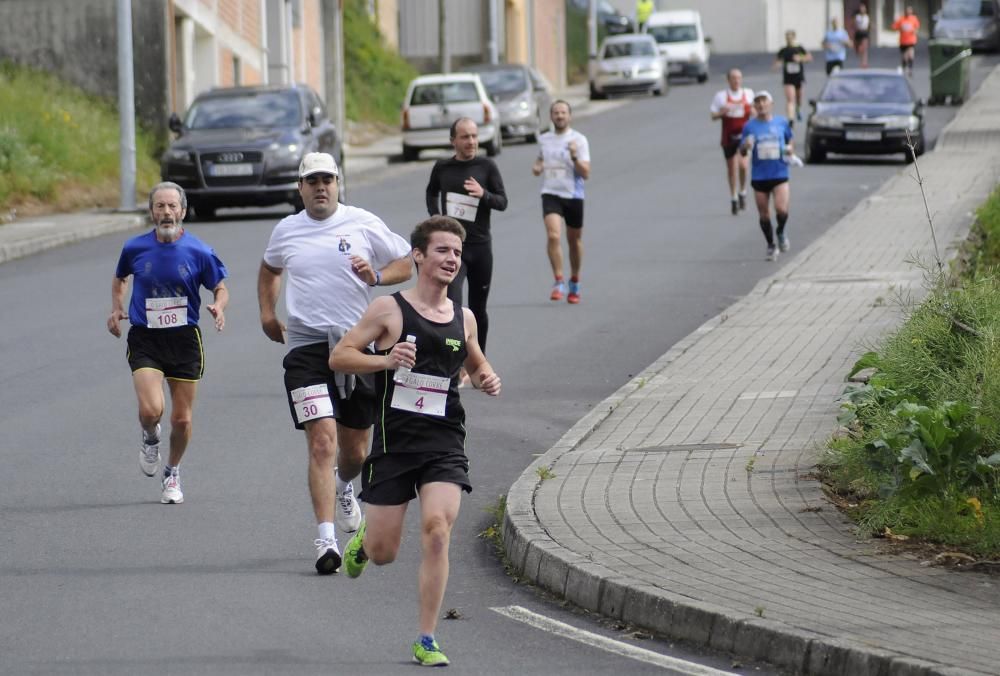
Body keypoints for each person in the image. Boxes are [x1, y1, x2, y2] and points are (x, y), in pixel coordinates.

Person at [330, 215, 501, 667]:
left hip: (444, 441)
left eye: (457, 253)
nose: (452, 259)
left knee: (438, 532)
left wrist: (485, 376)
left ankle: (426, 637)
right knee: (385, 554)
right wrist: (385, 360)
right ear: (419, 256)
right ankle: (366, 542)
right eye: (443, 250)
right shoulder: (389, 310)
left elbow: (474, 360)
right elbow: (340, 355)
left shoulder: (462, 318)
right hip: (394, 442)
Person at [257, 152, 413, 575]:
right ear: (301, 188)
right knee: (322, 441)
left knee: (355, 452)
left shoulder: (361, 222)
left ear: (338, 183)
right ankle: (325, 540)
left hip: (356, 348)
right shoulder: (287, 230)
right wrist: (268, 313)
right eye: (312, 181)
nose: (321, 187)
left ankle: (345, 486)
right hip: (307, 349)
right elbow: (270, 268)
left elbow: (407, 261)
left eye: (327, 179)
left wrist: (376, 277)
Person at [107, 182, 228, 505]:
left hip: (184, 339)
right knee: (151, 410)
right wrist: (118, 307)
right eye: (159, 206)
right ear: (151, 211)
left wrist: (219, 306)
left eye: (172, 206)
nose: (166, 212)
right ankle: (150, 437)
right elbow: (120, 278)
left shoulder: (199, 251)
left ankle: (172, 471)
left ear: (183, 211)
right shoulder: (135, 247)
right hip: (146, 337)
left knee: (182, 419)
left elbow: (220, 286)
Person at [425, 117, 507, 386]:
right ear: (453, 141)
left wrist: (483, 193)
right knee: (456, 306)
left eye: (474, 136)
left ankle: (478, 363)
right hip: (454, 251)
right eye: (465, 137)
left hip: (481, 247)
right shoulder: (443, 167)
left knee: (479, 309)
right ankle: (458, 364)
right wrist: (437, 219)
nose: (471, 141)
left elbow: (502, 201)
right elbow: (431, 192)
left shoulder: (486, 166)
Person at [531, 100, 591, 304]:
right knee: (554, 235)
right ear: (551, 116)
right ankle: (558, 281)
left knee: (574, 241)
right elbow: (540, 159)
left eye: (563, 112)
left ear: (570, 116)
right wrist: (538, 166)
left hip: (573, 195)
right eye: (556, 112)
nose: (560, 116)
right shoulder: (544, 139)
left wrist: (574, 156)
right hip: (551, 193)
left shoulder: (579, 140)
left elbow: (586, 173)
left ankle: (574, 280)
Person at [740, 91, 795, 262]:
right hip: (760, 175)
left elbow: (790, 140)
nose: (761, 105)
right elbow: (742, 150)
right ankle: (771, 245)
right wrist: (746, 146)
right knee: (764, 215)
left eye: (764, 102)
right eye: (758, 102)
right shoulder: (749, 126)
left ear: (771, 104)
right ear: (754, 107)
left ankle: (780, 231)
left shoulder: (781, 122)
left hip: (779, 172)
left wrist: (790, 149)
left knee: (781, 210)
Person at [709, 68, 754, 215]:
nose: (736, 81)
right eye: (733, 78)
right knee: (731, 168)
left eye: (739, 78)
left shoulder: (748, 94)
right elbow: (713, 115)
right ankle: (733, 197)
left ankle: (743, 191)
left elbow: (754, 112)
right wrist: (722, 112)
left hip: (744, 136)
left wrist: (753, 112)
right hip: (728, 136)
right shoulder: (721, 96)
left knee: (743, 165)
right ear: (728, 80)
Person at [774, 30, 812, 124]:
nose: (788, 40)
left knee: (798, 98)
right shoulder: (783, 50)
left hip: (798, 77)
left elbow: (809, 58)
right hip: (788, 78)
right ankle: (790, 119)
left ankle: (798, 108)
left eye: (790, 38)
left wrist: (801, 58)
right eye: (787, 38)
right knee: (790, 99)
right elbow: (777, 61)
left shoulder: (799, 48)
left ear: (794, 38)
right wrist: (777, 65)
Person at [892, 6, 921, 77]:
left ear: (911, 11)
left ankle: (910, 69)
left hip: (911, 41)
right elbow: (894, 27)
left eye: (910, 11)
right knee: (904, 57)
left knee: (911, 55)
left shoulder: (914, 18)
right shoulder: (901, 19)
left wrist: (915, 31)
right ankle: (904, 67)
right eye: (907, 11)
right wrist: (899, 28)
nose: (908, 12)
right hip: (903, 41)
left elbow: (917, 27)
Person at [853, 2, 871, 68]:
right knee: (859, 49)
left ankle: (864, 63)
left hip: (864, 33)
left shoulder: (867, 17)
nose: (862, 9)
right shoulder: (857, 17)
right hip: (858, 33)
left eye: (863, 8)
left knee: (865, 48)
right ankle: (861, 60)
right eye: (861, 8)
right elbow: (855, 24)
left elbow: (868, 25)